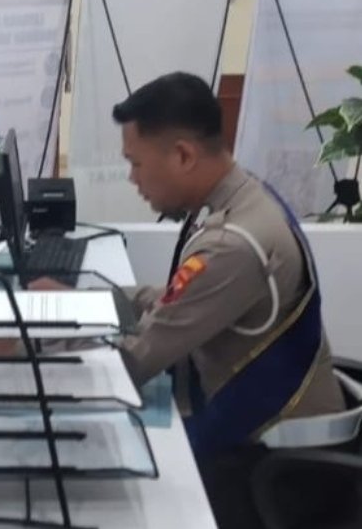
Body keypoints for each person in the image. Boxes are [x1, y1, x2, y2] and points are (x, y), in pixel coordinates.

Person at [30, 72, 346, 527]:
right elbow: (176, 302)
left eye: (136, 163)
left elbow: (131, 363)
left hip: (275, 472)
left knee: (96, 491)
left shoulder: (233, 244)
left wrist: (25, 344)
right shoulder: (244, 199)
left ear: (182, 155)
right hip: (266, 432)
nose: (132, 179)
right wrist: (81, 300)